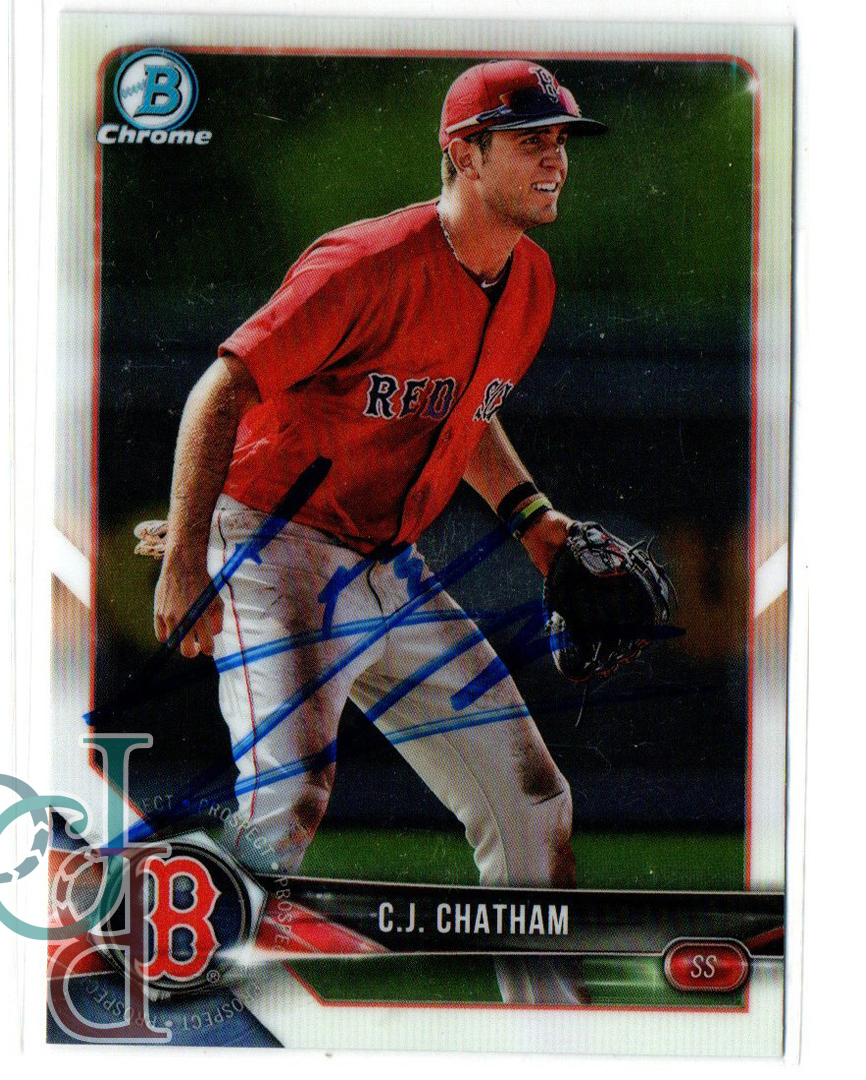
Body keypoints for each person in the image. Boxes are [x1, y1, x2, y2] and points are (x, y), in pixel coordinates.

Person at [153, 60, 606, 1005]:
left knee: (532, 800)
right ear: (465, 155)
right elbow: (220, 392)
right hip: (275, 548)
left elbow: (466, 413)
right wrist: (189, 555)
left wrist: (533, 520)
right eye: (531, 139)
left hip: (388, 567)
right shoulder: (367, 262)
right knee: (286, 799)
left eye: (561, 139)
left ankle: (553, 1037)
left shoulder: (529, 280)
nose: (555, 158)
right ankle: (168, 997)